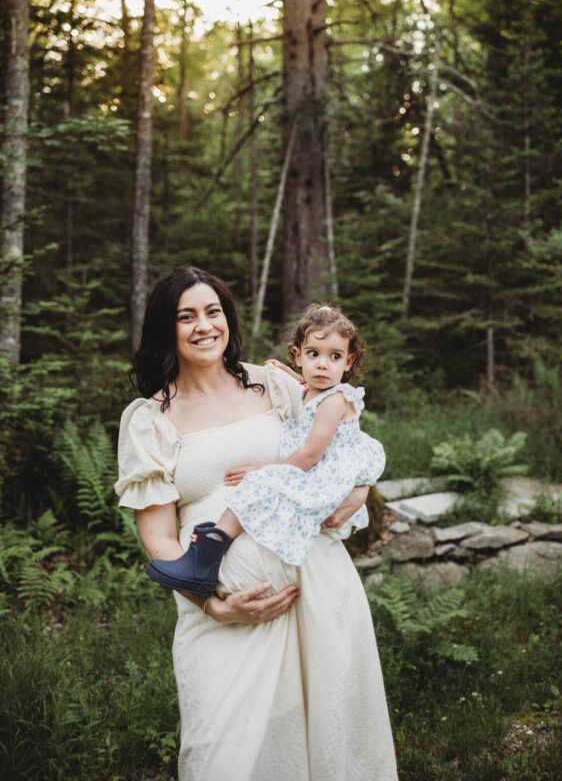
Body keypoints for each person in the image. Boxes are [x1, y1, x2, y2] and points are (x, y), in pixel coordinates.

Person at [115, 266, 398, 781]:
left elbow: (347, 450)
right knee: (222, 754)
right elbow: (157, 537)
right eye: (187, 316)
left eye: (213, 311)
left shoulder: (276, 386)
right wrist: (215, 606)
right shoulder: (149, 419)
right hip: (224, 615)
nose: (204, 326)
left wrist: (357, 495)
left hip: (318, 592)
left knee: (330, 742)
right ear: (165, 328)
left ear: (228, 319)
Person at [144, 302, 385, 594]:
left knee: (256, 486)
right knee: (257, 489)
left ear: (349, 361)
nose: (322, 365)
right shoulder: (313, 389)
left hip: (320, 478)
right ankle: (204, 557)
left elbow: (311, 453)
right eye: (313, 355)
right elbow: (305, 390)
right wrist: (290, 374)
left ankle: (208, 552)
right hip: (314, 472)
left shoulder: (334, 400)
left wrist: (267, 473)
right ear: (298, 357)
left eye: (335, 356)